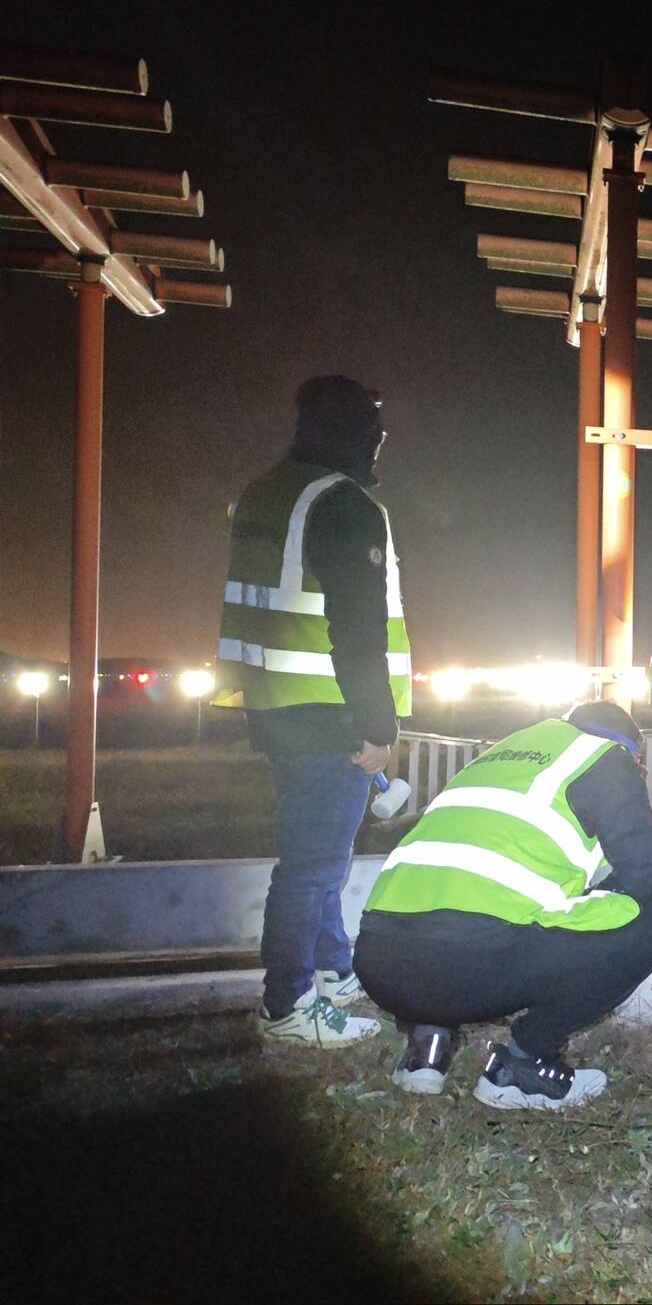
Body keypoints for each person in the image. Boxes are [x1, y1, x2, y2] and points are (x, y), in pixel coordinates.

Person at [214, 375, 410, 1048]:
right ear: (356, 431)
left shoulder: (266, 492)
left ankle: (334, 973)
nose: (381, 443)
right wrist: (378, 729)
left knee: (319, 854)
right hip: (331, 716)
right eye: (375, 430)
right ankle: (288, 1007)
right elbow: (358, 633)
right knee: (311, 868)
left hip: (275, 708)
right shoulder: (344, 504)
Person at [352, 701, 652, 1111]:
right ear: (627, 748)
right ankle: (525, 1065)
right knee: (649, 924)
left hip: (382, 961)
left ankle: (427, 1046)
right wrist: (591, 901)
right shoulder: (603, 755)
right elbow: (645, 873)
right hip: (475, 963)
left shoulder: (504, 752)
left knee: (458, 913)